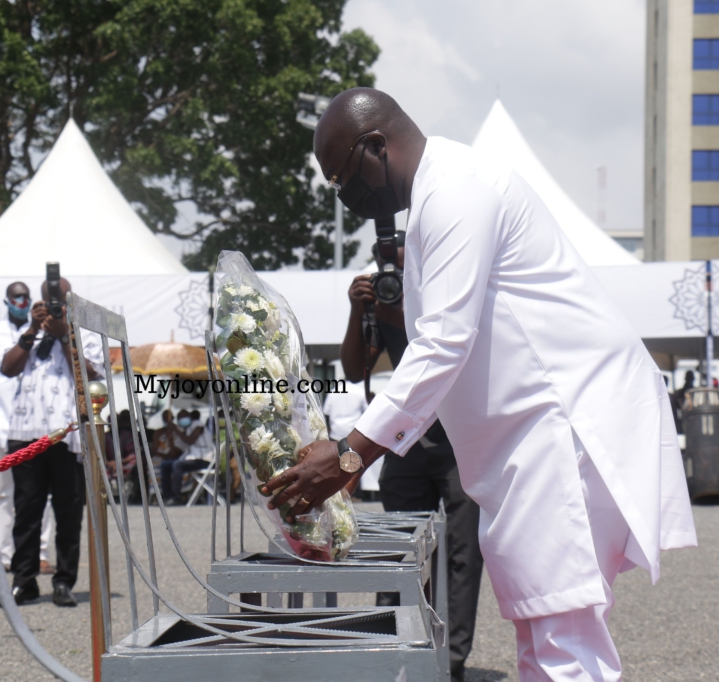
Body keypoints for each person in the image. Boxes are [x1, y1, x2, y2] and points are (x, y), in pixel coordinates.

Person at [262, 88, 696, 682]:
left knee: (562, 637)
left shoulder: (456, 189)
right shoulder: (436, 199)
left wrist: (347, 455)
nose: (345, 196)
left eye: (342, 178)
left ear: (376, 146)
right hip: (532, 437)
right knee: (544, 626)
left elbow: (443, 342)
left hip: (561, 425)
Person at [339, 234, 483, 681]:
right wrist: (358, 311)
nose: (395, 274)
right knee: (399, 545)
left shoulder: (448, 290)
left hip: (459, 436)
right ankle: (395, 645)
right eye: (388, 266)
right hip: (406, 437)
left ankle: (451, 658)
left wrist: (396, 311)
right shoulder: (382, 300)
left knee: (463, 549)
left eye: (402, 264)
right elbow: (351, 369)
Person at [2, 277, 103, 607]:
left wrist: (64, 336)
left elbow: (91, 374)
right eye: (49, 301)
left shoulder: (83, 332)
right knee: (27, 510)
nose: (55, 306)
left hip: (67, 434)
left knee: (68, 511)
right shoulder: (29, 332)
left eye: (59, 300)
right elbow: (8, 368)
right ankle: (24, 581)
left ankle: (64, 581)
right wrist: (33, 329)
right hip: (25, 432)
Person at [0, 282, 53, 572]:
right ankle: (6, 556)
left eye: (25, 297)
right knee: (3, 491)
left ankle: (40, 553)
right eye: (16, 297)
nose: (21, 301)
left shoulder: (45, 331)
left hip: (35, 424)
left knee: (38, 492)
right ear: (6, 300)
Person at [162, 410, 213, 504]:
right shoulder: (183, 432)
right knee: (165, 465)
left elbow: (190, 440)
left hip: (204, 459)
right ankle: (167, 496)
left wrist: (175, 430)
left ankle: (176, 498)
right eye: (180, 417)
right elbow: (176, 452)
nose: (183, 419)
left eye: (185, 415)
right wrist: (171, 439)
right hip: (191, 459)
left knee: (177, 465)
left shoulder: (197, 425)